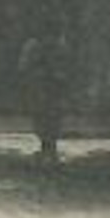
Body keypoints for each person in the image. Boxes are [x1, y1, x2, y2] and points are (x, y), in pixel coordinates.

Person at [18, 30, 71, 164]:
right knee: (44, 115)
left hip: (50, 87)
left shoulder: (59, 45)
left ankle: (49, 147)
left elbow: (24, 67)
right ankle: (48, 147)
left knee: (49, 116)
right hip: (41, 86)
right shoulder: (34, 46)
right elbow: (24, 67)